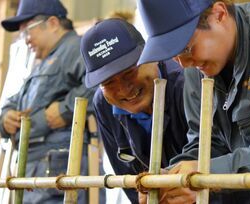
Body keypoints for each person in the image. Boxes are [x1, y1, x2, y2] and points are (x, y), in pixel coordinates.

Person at [136, 0, 250, 203]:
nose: (185, 65)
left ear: (219, 14)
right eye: (174, 56)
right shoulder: (199, 67)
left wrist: (206, 173)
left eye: (186, 49)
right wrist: (173, 177)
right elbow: (206, 142)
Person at [0, 0, 95, 203]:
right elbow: (13, 100)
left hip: (57, 170)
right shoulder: (44, 64)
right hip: (38, 172)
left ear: (52, 23)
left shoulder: (76, 48)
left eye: (27, 31)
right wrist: (6, 117)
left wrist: (66, 109)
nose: (25, 40)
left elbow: (100, 86)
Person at [80, 18, 189, 203]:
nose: (123, 89)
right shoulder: (103, 104)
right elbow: (128, 180)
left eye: (129, 72)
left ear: (150, 54)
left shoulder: (185, 84)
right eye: (108, 82)